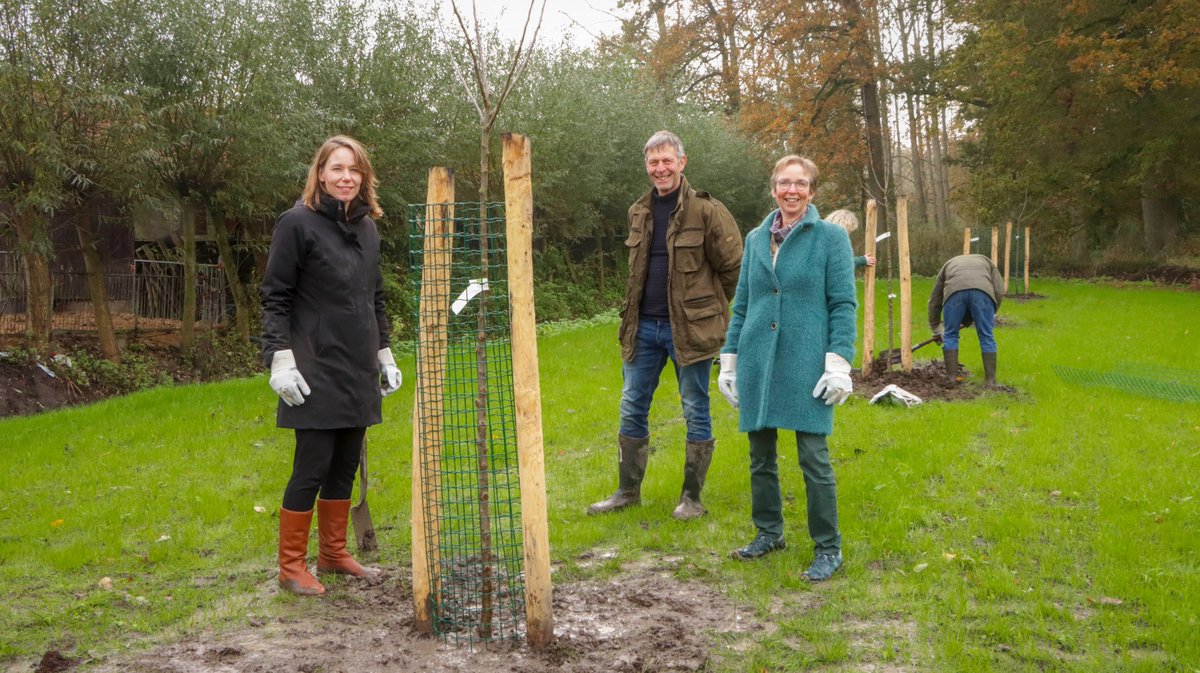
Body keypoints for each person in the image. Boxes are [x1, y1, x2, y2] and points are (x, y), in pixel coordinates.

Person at [260, 135, 403, 596]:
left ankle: (334, 553)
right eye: (337, 168)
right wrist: (279, 360)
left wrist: (383, 353)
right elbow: (275, 297)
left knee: (345, 465)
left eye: (354, 170)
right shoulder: (296, 225)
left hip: (357, 366)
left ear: (364, 178)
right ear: (320, 173)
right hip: (314, 367)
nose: (346, 177)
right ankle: (290, 567)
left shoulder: (367, 229)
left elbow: (374, 297)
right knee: (312, 467)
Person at [588, 130, 743, 520]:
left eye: (667, 161)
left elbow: (734, 271)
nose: (661, 169)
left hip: (688, 331)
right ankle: (627, 492)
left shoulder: (707, 211)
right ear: (647, 166)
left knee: (695, 407)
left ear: (682, 163)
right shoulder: (638, 211)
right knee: (631, 405)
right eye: (653, 162)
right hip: (643, 328)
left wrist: (711, 313)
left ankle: (691, 499)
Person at [717, 155, 856, 582]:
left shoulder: (831, 238)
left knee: (814, 457)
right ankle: (769, 533)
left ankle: (828, 549)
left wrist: (839, 363)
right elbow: (743, 304)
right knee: (760, 456)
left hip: (806, 361)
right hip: (759, 358)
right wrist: (730, 361)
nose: (791, 190)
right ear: (773, 188)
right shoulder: (758, 238)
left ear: (812, 191)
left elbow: (843, 304)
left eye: (800, 183)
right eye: (783, 183)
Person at [927, 253, 1005, 385]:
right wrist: (990, 312)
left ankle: (951, 379)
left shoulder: (948, 264)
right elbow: (999, 290)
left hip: (954, 293)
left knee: (950, 335)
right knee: (987, 336)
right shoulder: (987, 262)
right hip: (983, 294)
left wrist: (936, 327)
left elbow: (935, 299)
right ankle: (991, 381)